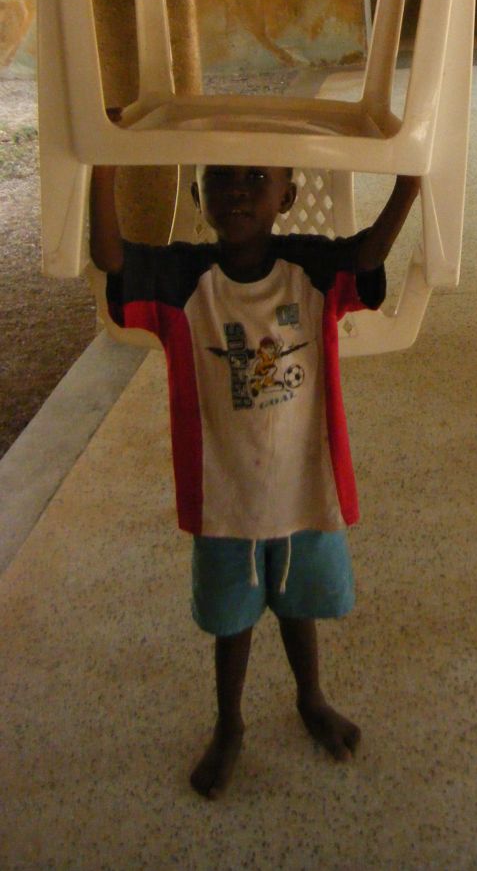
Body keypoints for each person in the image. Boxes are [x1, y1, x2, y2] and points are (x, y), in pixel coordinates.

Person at [90, 159, 419, 797]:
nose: (237, 189)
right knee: (232, 621)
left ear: (288, 196)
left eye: (255, 178)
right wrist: (102, 166)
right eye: (220, 178)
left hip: (305, 490)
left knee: (299, 606)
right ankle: (230, 724)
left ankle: (310, 698)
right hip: (225, 500)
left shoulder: (310, 269)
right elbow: (112, 259)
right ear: (197, 195)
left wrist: (409, 183)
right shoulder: (182, 279)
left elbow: (368, 254)